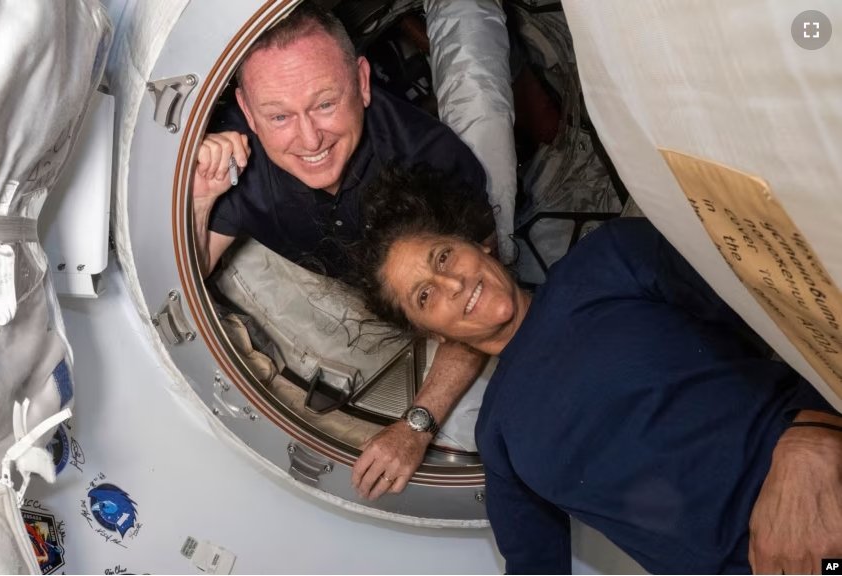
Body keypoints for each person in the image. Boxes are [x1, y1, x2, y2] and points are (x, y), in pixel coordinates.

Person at [346, 165, 842, 574]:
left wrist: (813, 437)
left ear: (480, 244)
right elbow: (534, 567)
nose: (452, 283)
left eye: (444, 256)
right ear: (433, 333)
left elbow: (793, 307)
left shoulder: (608, 260)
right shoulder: (497, 435)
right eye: (425, 295)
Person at [192, 4, 496, 499]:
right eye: (279, 116)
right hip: (351, 285)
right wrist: (202, 195)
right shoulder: (237, 158)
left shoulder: (432, 161)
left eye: (325, 104)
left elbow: (483, 305)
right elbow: (189, 270)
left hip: (430, 280)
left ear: (362, 80)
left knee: (481, 103)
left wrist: (416, 425)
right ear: (248, 112)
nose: (309, 138)